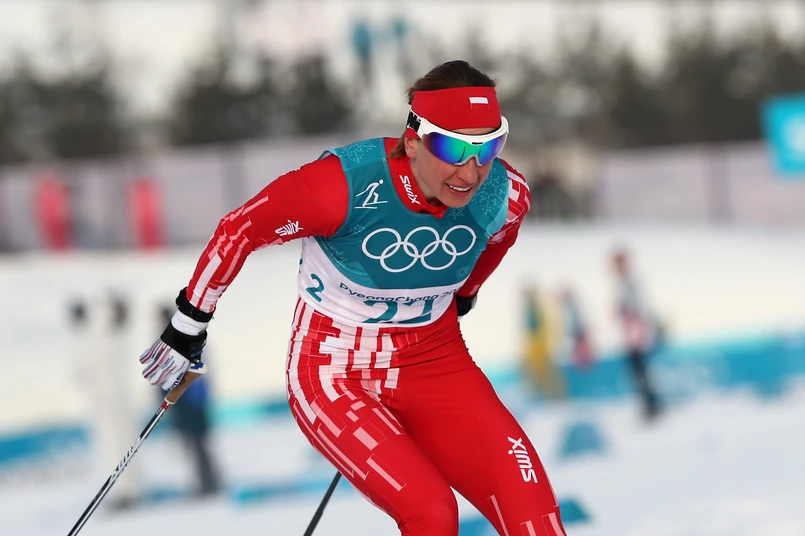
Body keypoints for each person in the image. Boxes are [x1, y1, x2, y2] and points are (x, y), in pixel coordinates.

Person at [138, 60, 567, 536]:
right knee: (433, 514)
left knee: (535, 516)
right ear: (413, 140)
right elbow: (239, 230)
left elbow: (499, 238)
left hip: (434, 361)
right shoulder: (342, 186)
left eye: (488, 147)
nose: (471, 170)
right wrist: (187, 325)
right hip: (334, 370)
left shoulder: (504, 195)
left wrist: (464, 294)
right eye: (453, 148)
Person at [156, 303, 221, 497]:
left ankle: (208, 483)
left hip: (189, 400)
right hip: (187, 400)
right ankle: (205, 482)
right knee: (195, 444)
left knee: (197, 444)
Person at [611, 247, 662, 422]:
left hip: (636, 334)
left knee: (640, 371)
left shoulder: (630, 282)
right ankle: (650, 405)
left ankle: (652, 407)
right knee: (639, 372)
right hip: (632, 334)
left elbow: (638, 308)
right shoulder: (623, 282)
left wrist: (638, 330)